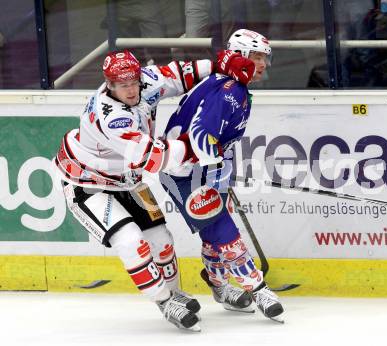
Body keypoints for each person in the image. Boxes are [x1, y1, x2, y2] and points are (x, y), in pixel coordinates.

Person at [52, 49, 256, 331]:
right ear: (110, 85)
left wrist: (222, 61)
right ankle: (162, 300)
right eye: (124, 85)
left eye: (134, 81)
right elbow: (153, 157)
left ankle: (173, 293)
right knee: (131, 241)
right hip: (87, 185)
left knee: (162, 239)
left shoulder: (143, 81)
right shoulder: (111, 119)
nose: (132, 89)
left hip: (128, 180)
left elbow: (181, 74)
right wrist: (197, 147)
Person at [159, 29, 285, 322]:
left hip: (197, 167)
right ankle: (258, 287)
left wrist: (219, 169)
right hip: (183, 173)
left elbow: (212, 138)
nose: (263, 64)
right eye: (256, 56)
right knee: (221, 229)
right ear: (239, 56)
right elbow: (202, 135)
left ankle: (218, 284)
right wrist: (216, 169)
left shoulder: (229, 83)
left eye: (265, 57)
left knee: (213, 227)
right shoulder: (231, 90)